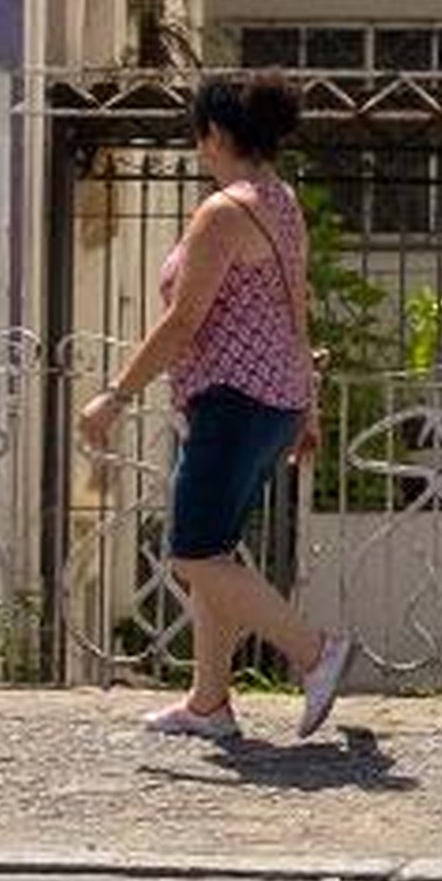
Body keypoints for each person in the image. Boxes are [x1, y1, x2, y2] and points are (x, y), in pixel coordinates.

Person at [79, 71, 357, 745]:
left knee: (194, 554)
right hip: (274, 399)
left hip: (234, 401)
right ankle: (209, 704)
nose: (197, 146)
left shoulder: (224, 211)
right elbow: (295, 308)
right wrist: (309, 405)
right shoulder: (279, 200)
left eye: (197, 133)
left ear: (216, 134)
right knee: (217, 551)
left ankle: (315, 650)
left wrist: (113, 396)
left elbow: (183, 323)